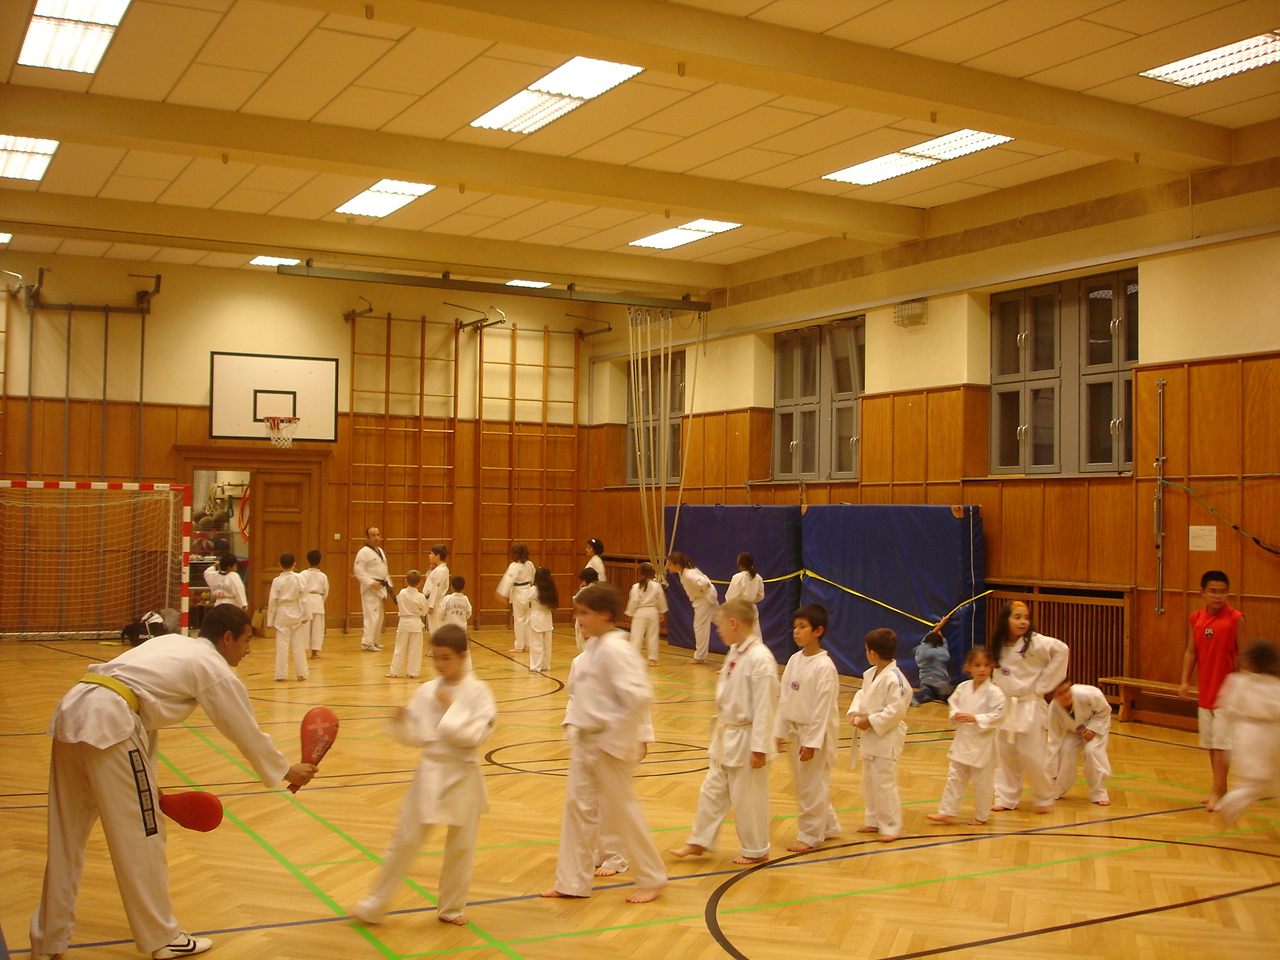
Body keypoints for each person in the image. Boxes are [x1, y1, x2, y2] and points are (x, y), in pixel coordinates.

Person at [28, 606, 316, 960]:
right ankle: (162, 938)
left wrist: (147, 785)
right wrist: (287, 770)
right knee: (143, 836)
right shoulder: (212, 666)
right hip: (111, 719)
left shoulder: (171, 645)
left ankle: (48, 941)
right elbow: (244, 731)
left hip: (73, 709)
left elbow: (143, 716)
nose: (248, 650)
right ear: (227, 638)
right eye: (246, 641)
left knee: (65, 836)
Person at [352, 624, 497, 927]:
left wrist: (451, 709)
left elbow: (476, 736)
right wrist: (402, 723)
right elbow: (417, 737)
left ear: (463, 656)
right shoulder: (427, 690)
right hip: (431, 771)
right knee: (405, 839)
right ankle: (375, 903)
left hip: (464, 771)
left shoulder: (479, 692)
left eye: (447, 658)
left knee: (461, 846)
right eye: (436, 658)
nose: (440, 665)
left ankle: (452, 907)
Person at [539, 582, 667, 903]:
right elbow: (580, 696)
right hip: (586, 742)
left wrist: (615, 734)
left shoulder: (617, 649)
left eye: (584, 613)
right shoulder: (592, 651)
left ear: (605, 614)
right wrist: (575, 727)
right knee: (577, 810)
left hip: (609, 745)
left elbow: (638, 696)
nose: (578, 618)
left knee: (623, 811)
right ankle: (571, 882)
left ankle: (652, 878)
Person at [670, 599, 779, 864]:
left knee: (747, 798)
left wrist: (759, 748)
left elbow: (766, 707)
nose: (718, 630)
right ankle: (699, 840)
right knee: (712, 789)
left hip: (748, 737)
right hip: (726, 734)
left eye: (720, 624)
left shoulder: (760, 658)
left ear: (734, 623)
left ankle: (756, 849)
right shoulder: (735, 652)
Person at [773, 603, 841, 852]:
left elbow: (823, 709)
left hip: (815, 733)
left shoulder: (825, 667)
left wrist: (812, 742)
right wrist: (778, 732)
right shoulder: (794, 660)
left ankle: (811, 835)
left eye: (802, 627)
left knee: (811, 785)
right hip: (795, 729)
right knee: (805, 783)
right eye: (795, 627)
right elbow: (784, 698)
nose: (796, 631)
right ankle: (829, 825)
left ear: (818, 631)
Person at [989, 600, 1068, 814]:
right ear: (1005, 620)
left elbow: (1062, 650)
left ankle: (1044, 796)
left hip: (1030, 704)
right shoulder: (998, 646)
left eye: (1026, 618)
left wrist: (1045, 684)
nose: (1023, 622)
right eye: (1017, 617)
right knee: (1004, 754)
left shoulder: (1036, 643)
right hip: (1005, 705)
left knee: (1031, 754)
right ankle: (1006, 797)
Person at [1179, 570, 1248, 811]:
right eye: (1213, 591)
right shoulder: (1196, 618)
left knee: (1221, 745)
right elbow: (1191, 651)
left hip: (1228, 694)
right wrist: (1185, 681)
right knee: (1211, 743)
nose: (1218, 596)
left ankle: (1218, 792)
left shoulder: (1235, 618)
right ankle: (1220, 788)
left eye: (1223, 592)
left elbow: (1245, 656)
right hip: (1206, 692)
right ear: (1203, 592)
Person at [927, 646, 1007, 826]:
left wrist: (975, 718)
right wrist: (955, 714)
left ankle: (981, 815)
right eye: (977, 665)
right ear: (968, 667)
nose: (982, 669)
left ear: (992, 667)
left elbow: (999, 715)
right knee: (955, 777)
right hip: (963, 740)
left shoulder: (995, 693)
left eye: (986, 665)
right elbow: (953, 703)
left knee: (982, 782)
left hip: (983, 743)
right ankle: (947, 812)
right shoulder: (963, 688)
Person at [848, 628, 912, 841]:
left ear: (873, 653)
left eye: (866, 650)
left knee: (884, 782)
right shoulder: (870, 673)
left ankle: (890, 826)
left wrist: (871, 721)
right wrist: (856, 712)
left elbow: (896, 710)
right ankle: (874, 820)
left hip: (886, 737)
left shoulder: (896, 679)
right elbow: (862, 695)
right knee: (870, 780)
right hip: (870, 736)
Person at [1217, 637, 1280, 825]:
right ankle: (1230, 803)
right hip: (1271, 734)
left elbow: (1227, 708)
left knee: (1254, 782)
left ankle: (1230, 803)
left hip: (1246, 734)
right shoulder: (1275, 685)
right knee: (1266, 781)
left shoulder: (1239, 681)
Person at [1048, 680, 1112, 805]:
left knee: (1092, 751)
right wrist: (1050, 771)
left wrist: (1093, 728)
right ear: (1053, 697)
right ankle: (1058, 789)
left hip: (1098, 723)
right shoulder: (1053, 710)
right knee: (1065, 750)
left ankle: (1099, 792)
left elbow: (1105, 711)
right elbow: (1053, 740)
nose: (1066, 695)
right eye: (1060, 694)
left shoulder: (1089, 693)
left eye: (1067, 690)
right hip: (1074, 731)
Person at [665, 551, 718, 665]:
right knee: (721, 621)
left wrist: (704, 591)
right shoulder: (685, 571)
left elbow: (704, 582)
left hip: (704, 600)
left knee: (700, 628)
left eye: (670, 564)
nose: (668, 567)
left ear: (677, 565)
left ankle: (699, 656)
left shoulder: (688, 574)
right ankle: (737, 644)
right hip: (706, 597)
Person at [267, 552, 308, 682]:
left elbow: (272, 601)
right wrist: (307, 614)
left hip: (281, 614)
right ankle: (301, 673)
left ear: (279, 565)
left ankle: (281, 675)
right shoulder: (299, 578)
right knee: (298, 645)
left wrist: (270, 621)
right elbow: (305, 598)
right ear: (294, 564)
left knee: (282, 647)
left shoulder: (277, 581)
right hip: (296, 612)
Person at [354, 526, 393, 652]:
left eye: (378, 534)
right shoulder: (363, 552)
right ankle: (366, 643)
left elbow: (384, 569)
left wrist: (388, 585)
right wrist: (371, 583)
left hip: (381, 586)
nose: (376, 538)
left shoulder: (380, 550)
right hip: (370, 589)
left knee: (379, 617)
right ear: (367, 538)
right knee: (371, 616)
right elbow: (358, 571)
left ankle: (375, 640)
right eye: (373, 535)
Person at [497, 542, 536, 656]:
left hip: (519, 592)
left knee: (519, 619)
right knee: (528, 619)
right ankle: (529, 643)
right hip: (529, 590)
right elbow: (534, 578)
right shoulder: (530, 564)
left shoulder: (514, 566)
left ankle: (519, 645)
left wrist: (502, 593)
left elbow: (508, 580)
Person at [625, 562, 667, 667]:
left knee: (636, 637)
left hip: (640, 613)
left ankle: (633, 660)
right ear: (652, 573)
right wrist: (662, 612)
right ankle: (653, 660)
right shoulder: (657, 586)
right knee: (653, 636)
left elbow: (634, 601)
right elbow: (661, 600)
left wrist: (630, 613)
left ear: (640, 573)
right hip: (653, 612)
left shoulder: (636, 587)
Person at [388, 570, 428, 679]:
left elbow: (398, 601)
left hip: (403, 623)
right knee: (415, 649)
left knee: (399, 648)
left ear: (406, 581)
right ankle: (412, 672)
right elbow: (425, 612)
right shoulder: (421, 596)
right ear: (420, 582)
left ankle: (394, 672)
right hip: (415, 623)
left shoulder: (402, 593)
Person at [912, 616, 953, 705]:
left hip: (926, 682)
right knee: (947, 694)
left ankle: (917, 697)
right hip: (939, 683)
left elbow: (928, 638)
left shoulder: (921, 648)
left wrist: (939, 627)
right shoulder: (933, 652)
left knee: (926, 693)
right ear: (937, 644)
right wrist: (941, 626)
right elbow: (945, 653)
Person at [528, 566, 558, 674]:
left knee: (536, 643)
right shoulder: (551, 590)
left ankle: (536, 666)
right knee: (547, 644)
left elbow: (523, 601)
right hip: (547, 617)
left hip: (536, 616)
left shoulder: (533, 590)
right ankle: (545, 665)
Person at [300, 549, 329, 660]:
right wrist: (320, 600)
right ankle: (314, 653)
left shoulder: (302, 575)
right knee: (317, 629)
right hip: (318, 600)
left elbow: (299, 589)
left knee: (304, 628)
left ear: (307, 561)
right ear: (320, 561)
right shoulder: (323, 576)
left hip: (305, 600)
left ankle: (302, 652)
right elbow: (326, 592)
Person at [724, 552, 764, 624]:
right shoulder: (758, 578)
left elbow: (730, 597)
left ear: (740, 564)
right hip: (752, 611)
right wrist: (750, 601)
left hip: (740, 613)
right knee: (754, 631)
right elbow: (761, 596)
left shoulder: (737, 578)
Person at [423, 544, 450, 637]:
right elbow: (430, 581)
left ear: (437, 556)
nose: (429, 556)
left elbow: (436, 589)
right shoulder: (438, 569)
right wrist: (431, 570)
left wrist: (431, 605)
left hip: (436, 603)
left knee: (436, 628)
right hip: (434, 601)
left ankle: (439, 646)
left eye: (431, 554)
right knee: (433, 628)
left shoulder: (440, 571)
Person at [573, 567, 600, 652]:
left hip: (585, 617)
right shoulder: (600, 588)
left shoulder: (585, 590)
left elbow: (576, 600)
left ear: (585, 579)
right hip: (596, 618)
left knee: (582, 642)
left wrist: (580, 589)